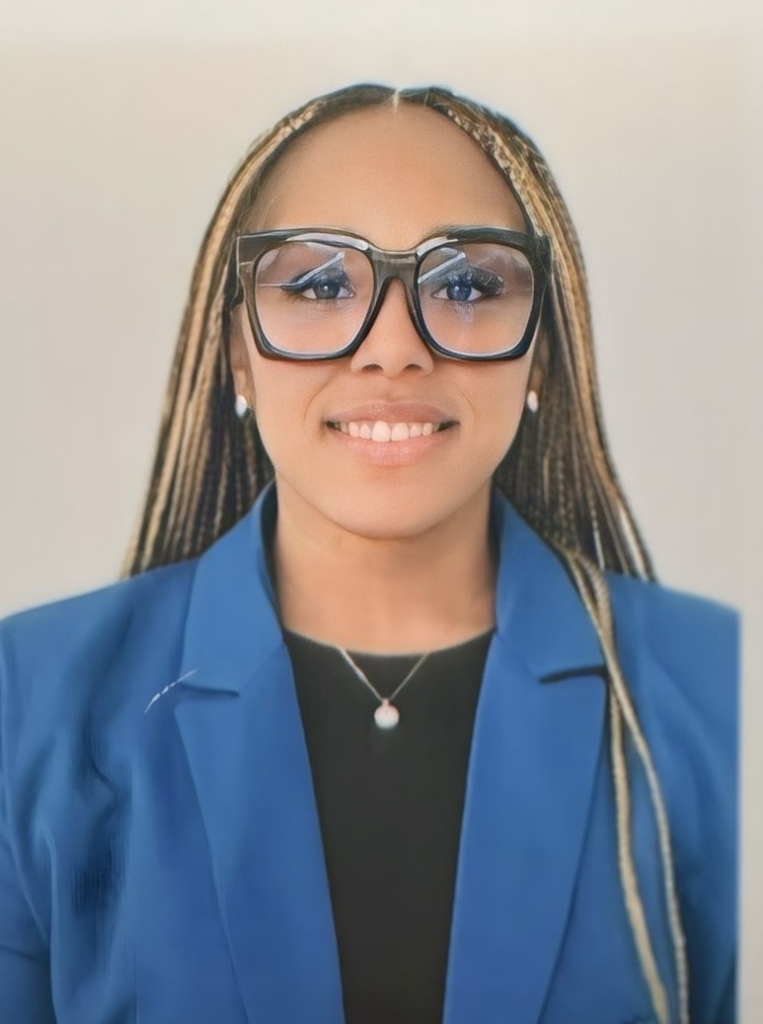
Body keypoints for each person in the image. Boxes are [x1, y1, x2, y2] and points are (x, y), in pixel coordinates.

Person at [0, 84, 737, 1024]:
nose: (392, 350)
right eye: (317, 286)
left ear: (542, 354)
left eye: (465, 286)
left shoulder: (719, 690)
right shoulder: (25, 701)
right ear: (236, 352)